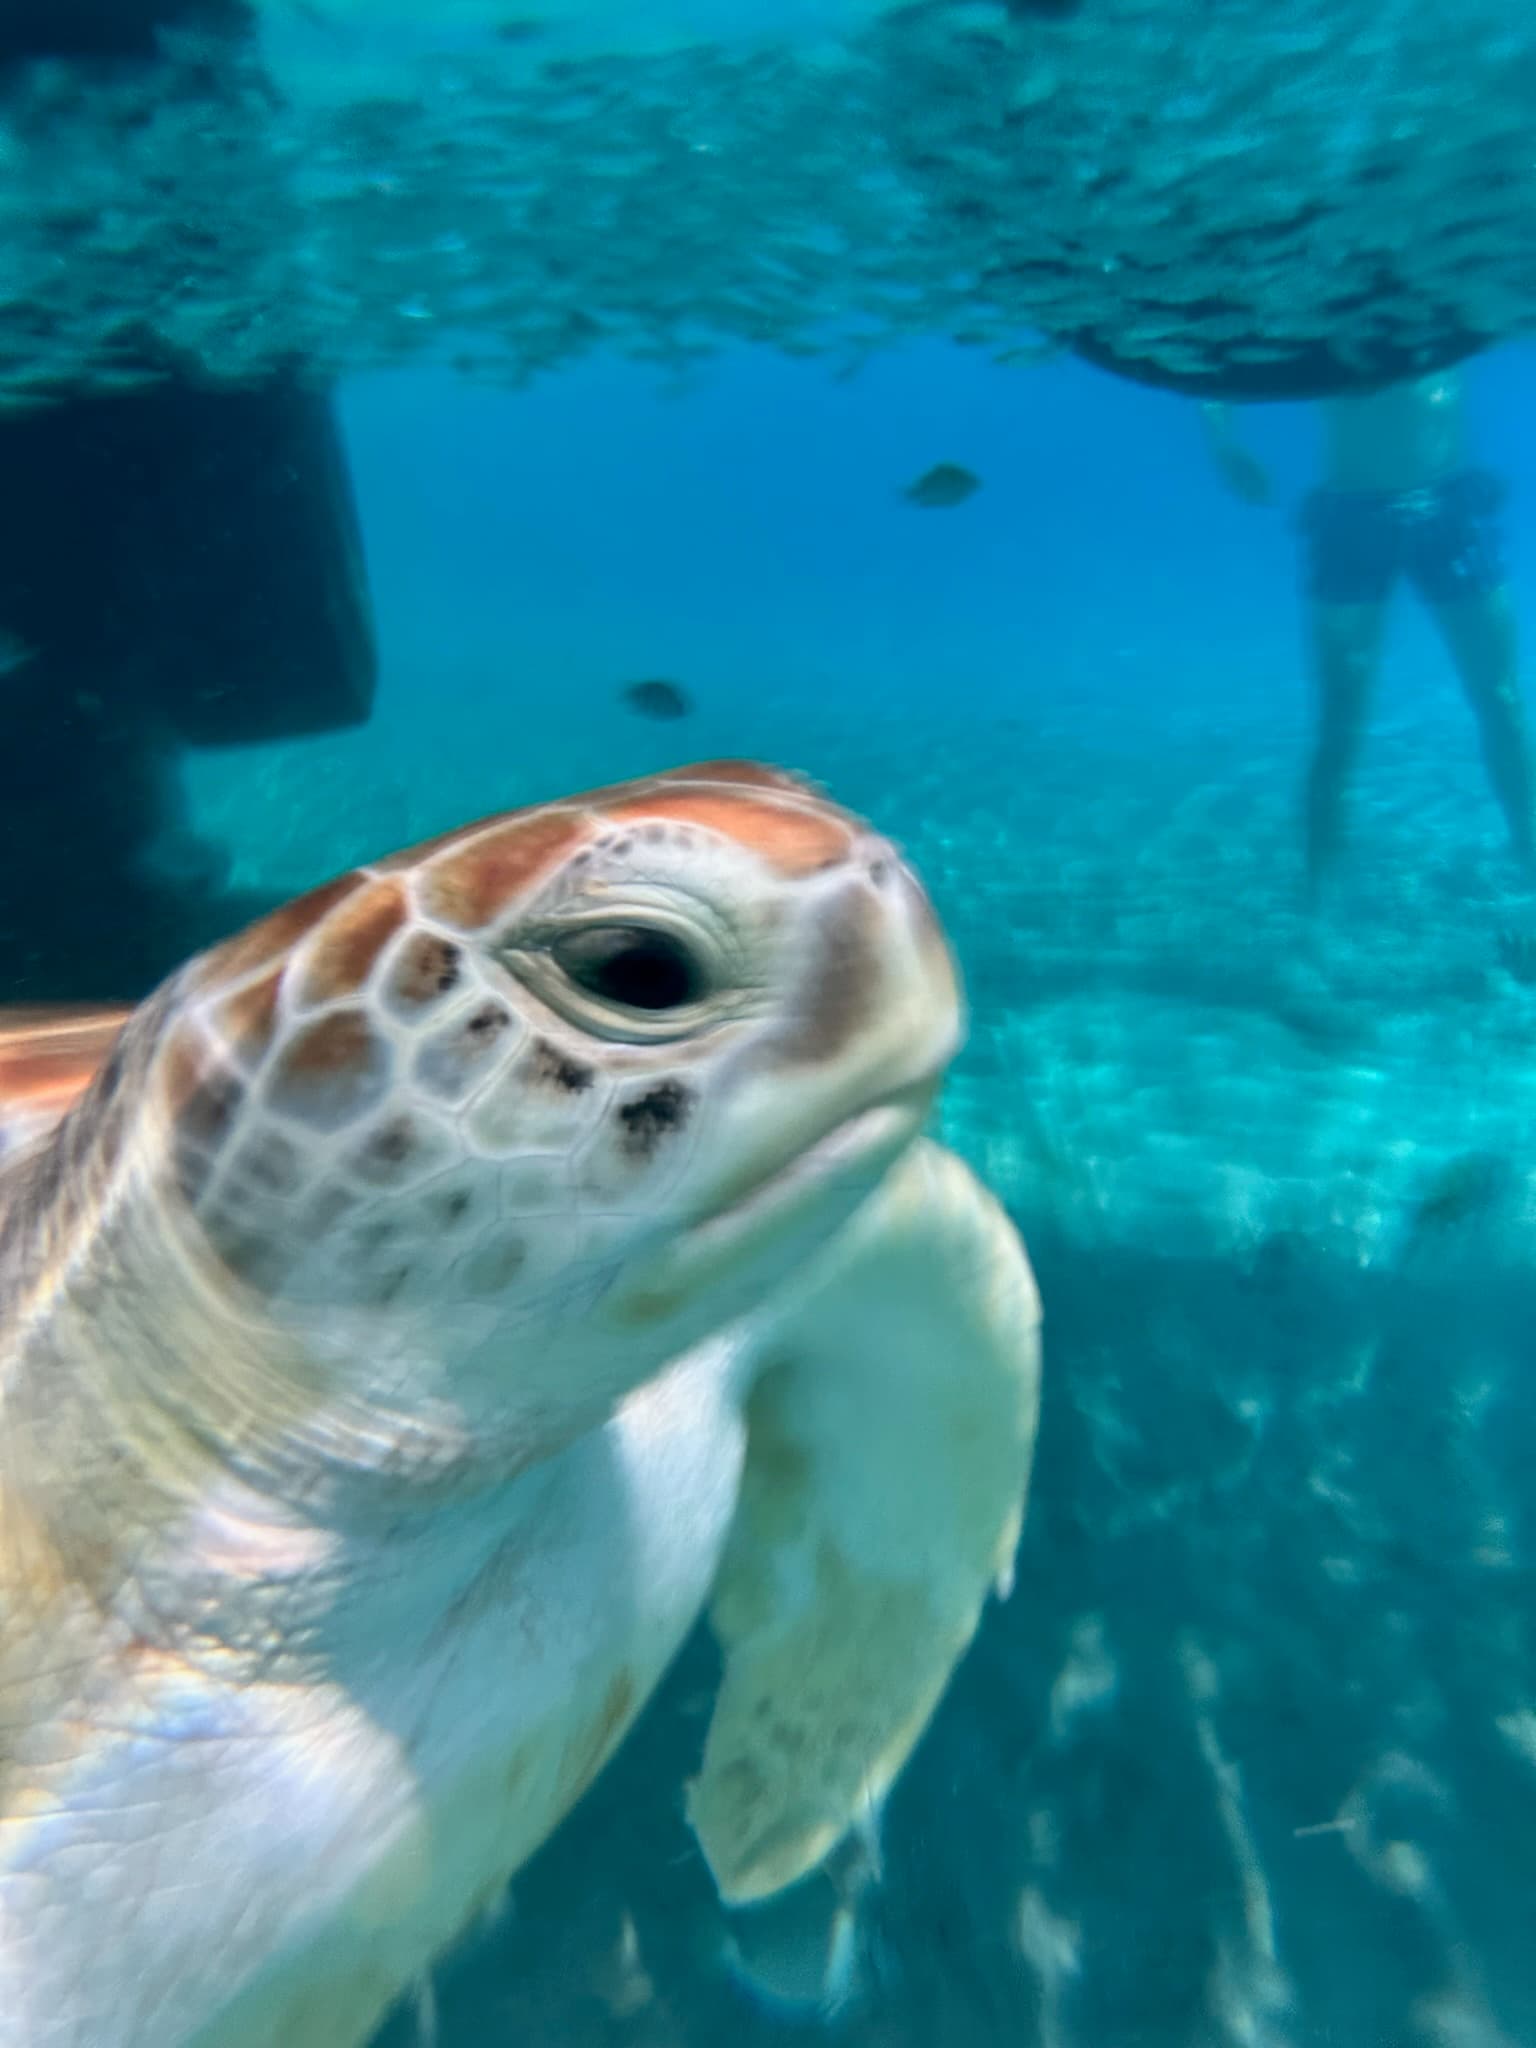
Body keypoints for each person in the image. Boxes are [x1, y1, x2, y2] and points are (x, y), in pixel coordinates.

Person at [1200, 371, 1536, 901]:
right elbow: (1218, 365)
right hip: (1352, 517)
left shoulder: (1453, 295)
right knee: (1341, 719)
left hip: (1450, 507)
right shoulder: (1333, 296)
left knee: (1502, 698)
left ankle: (1529, 857)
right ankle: (1316, 904)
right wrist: (1224, 446)